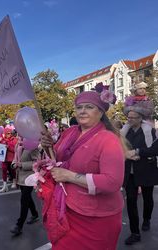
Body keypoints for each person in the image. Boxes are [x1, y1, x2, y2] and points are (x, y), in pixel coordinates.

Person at [40, 86, 125, 250]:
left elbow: (112, 182)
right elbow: (57, 159)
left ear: (100, 112)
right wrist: (47, 147)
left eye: (89, 107)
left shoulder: (108, 139)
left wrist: (69, 176)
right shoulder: (70, 132)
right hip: (68, 210)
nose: (82, 111)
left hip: (97, 218)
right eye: (79, 107)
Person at [120, 106, 158, 245]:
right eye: (128, 117)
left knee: (148, 198)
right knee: (130, 202)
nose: (129, 120)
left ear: (140, 118)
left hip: (146, 169)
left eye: (133, 117)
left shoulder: (150, 131)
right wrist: (126, 154)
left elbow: (155, 149)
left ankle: (147, 219)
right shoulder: (125, 131)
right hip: (130, 172)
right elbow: (118, 147)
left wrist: (137, 152)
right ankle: (135, 233)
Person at [10, 136, 40, 236]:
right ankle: (35, 214)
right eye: (19, 135)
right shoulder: (18, 146)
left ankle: (19, 225)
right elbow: (15, 159)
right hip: (20, 177)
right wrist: (14, 164)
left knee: (24, 200)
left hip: (29, 178)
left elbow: (37, 162)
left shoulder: (32, 146)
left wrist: (21, 164)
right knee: (27, 198)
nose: (20, 137)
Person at [0, 128, 18, 192]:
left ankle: (14, 181)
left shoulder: (14, 140)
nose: (8, 135)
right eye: (6, 133)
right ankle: (4, 185)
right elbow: (0, 149)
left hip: (12, 158)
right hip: (4, 159)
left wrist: (8, 147)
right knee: (4, 170)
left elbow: (15, 150)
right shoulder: (3, 140)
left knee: (13, 171)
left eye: (9, 133)